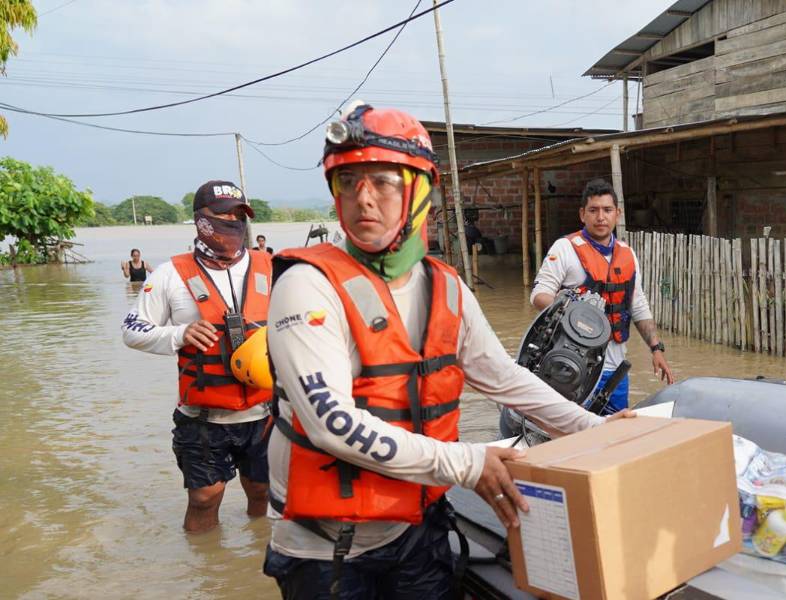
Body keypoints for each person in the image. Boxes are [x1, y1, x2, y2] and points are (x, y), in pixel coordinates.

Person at [262, 103, 632, 599]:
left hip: (420, 529)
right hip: (330, 549)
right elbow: (332, 424)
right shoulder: (307, 286)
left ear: (420, 193)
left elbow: (503, 377)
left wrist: (596, 428)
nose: (363, 199)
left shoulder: (446, 287)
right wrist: (470, 463)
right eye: (348, 182)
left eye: (383, 182)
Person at [121, 180, 273, 534]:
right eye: (224, 215)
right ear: (201, 220)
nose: (234, 222)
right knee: (204, 497)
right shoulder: (171, 274)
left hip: (263, 414)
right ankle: (205, 572)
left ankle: (254, 563)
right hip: (204, 417)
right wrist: (179, 334)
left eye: (240, 215)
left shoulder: (272, 266)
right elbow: (131, 329)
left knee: (264, 492)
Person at [530, 178, 674, 413]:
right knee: (570, 434)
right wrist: (573, 308)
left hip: (615, 371)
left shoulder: (628, 254)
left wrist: (656, 349)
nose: (600, 217)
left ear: (617, 213)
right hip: (572, 367)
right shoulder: (564, 249)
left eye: (607, 210)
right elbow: (538, 296)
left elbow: (638, 305)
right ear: (582, 214)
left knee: (616, 434)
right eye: (593, 210)